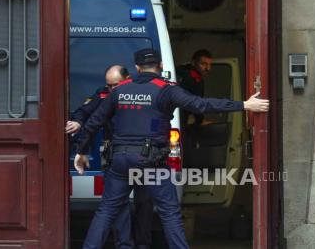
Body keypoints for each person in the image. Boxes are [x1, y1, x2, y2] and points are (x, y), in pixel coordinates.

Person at [74, 48, 269, 249]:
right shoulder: (166, 90)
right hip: (151, 162)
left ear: (137, 68)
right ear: (160, 66)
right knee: (169, 213)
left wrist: (82, 151)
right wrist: (244, 105)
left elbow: (94, 121)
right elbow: (201, 105)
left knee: (106, 211)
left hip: (120, 160)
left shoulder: (119, 91)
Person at [66, 65, 134, 249]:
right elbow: (85, 111)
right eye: (109, 85)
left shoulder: (138, 93)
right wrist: (78, 122)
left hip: (140, 157)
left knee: (137, 204)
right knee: (119, 203)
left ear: (128, 78)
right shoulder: (104, 94)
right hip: (114, 156)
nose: (112, 89)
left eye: (115, 85)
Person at [176, 49, 213, 126]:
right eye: (203, 64)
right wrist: (200, 121)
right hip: (179, 119)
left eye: (209, 64)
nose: (207, 68)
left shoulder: (182, 72)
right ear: (193, 63)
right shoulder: (192, 78)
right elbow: (196, 104)